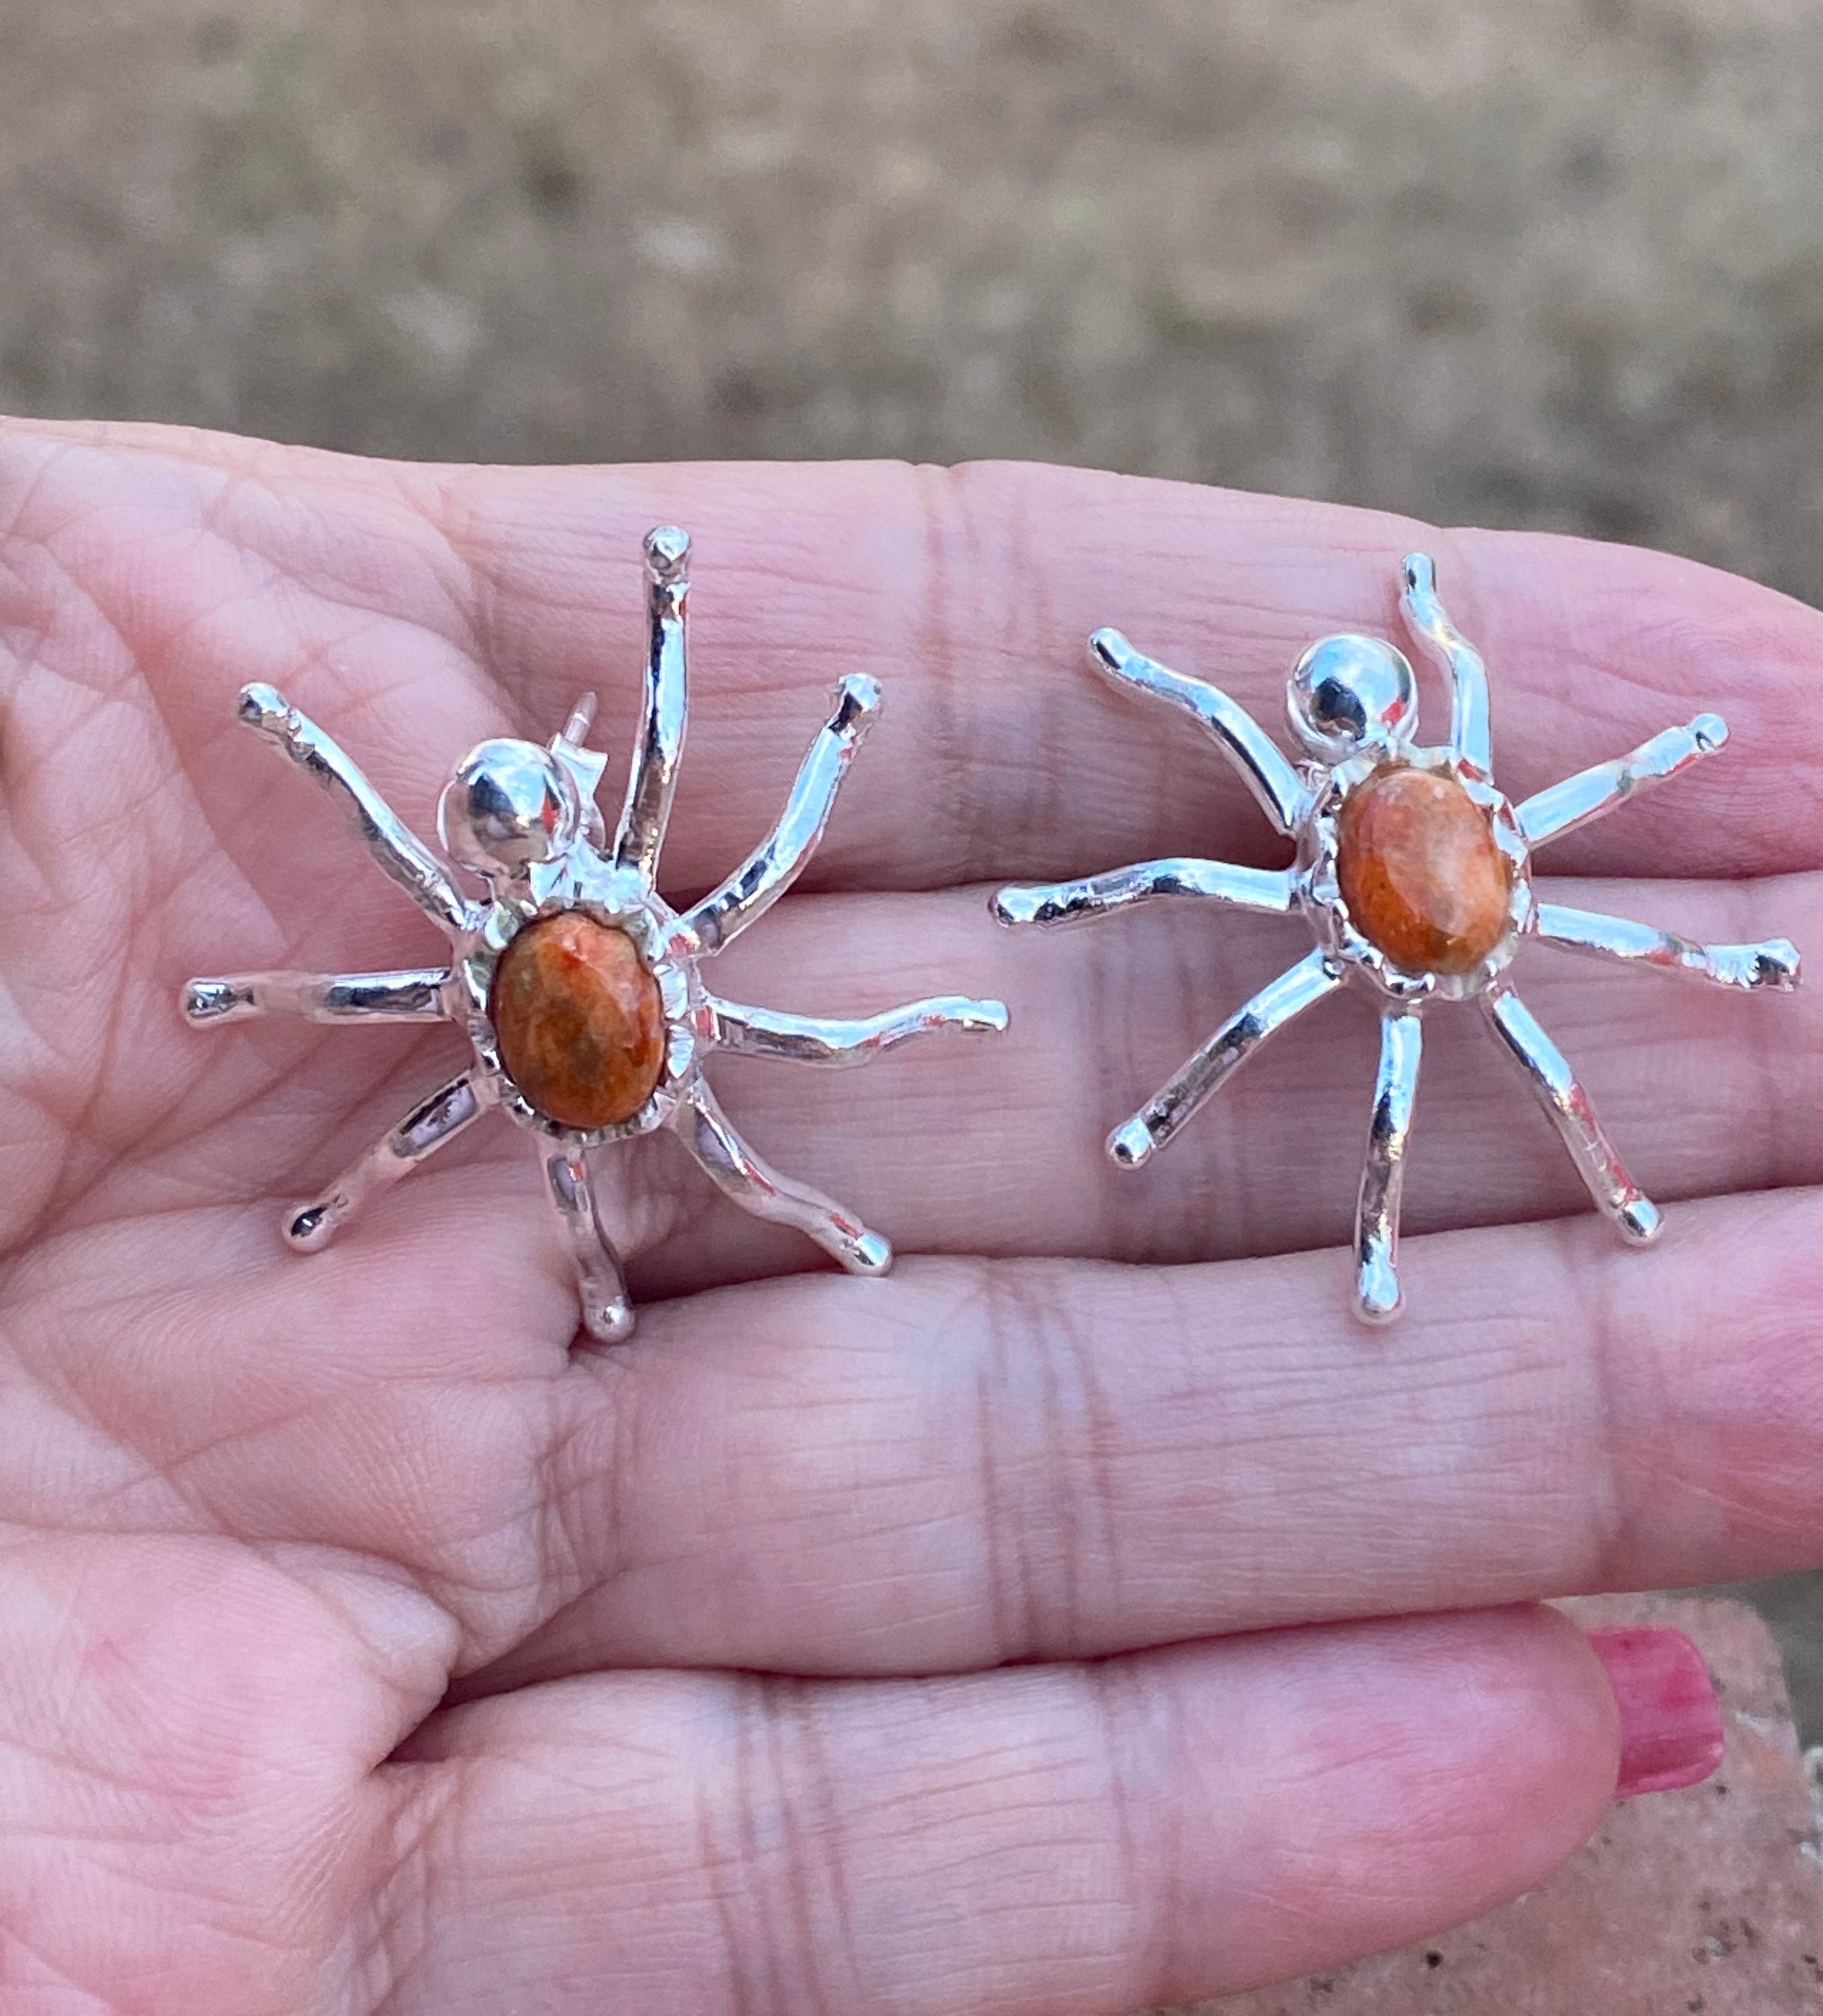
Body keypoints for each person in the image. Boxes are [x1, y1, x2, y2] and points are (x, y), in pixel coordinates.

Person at [3, 414, 1814, 2009]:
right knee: (701, 1145)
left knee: (775, 1131)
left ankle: (1415, 1168)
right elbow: (517, 882)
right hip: (601, 1063)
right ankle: (865, 1208)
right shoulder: (545, 934)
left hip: (646, 1055)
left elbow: (732, 823)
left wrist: (703, 649)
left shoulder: (1417, 794)